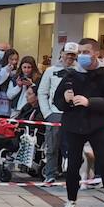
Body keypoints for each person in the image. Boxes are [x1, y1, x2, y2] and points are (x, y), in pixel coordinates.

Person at [54, 41, 104, 207]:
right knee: (72, 165)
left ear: (96, 53)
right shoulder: (71, 74)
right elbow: (57, 101)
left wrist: (91, 102)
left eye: (86, 52)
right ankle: (71, 201)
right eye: (80, 52)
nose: (82, 55)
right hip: (73, 125)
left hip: (97, 125)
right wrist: (64, 99)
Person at [36, 45, 77, 184]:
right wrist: (47, 113)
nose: (70, 57)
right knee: (52, 146)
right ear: (61, 54)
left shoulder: (79, 71)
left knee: (74, 146)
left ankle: (72, 174)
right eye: (67, 54)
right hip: (54, 114)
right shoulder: (50, 71)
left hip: (74, 114)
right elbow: (42, 92)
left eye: (73, 55)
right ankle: (50, 174)